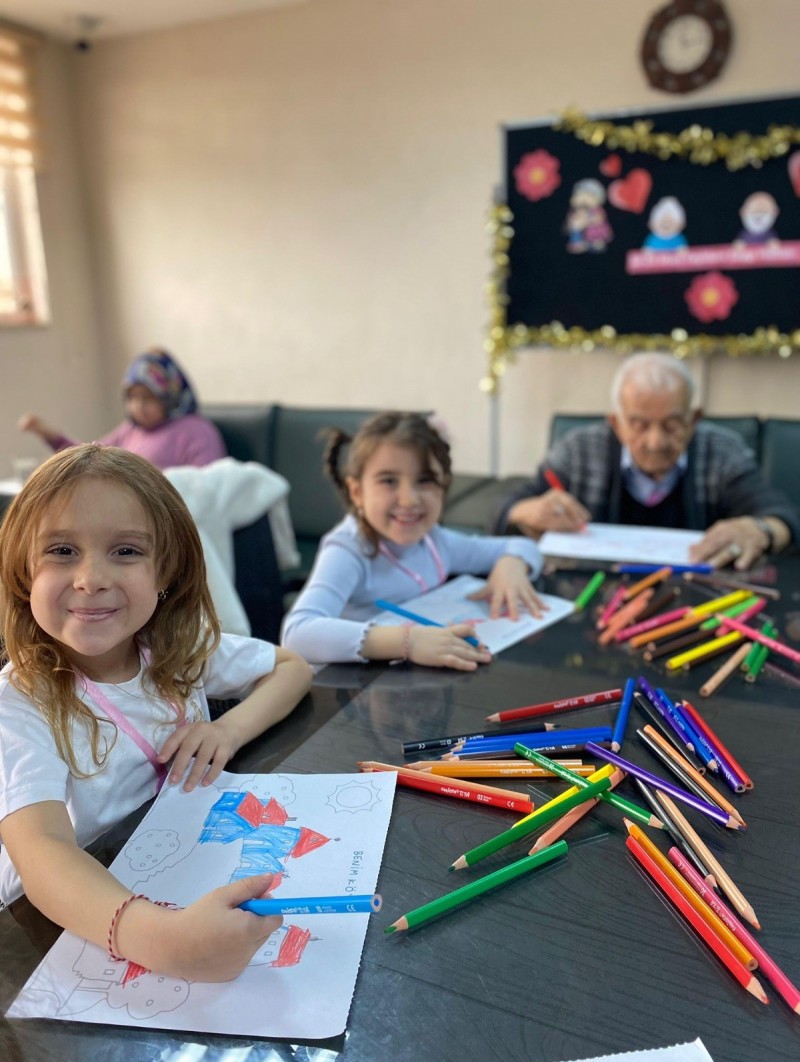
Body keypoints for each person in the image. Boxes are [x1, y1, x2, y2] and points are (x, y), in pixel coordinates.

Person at [0, 444, 313, 981]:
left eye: (125, 551)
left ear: (166, 571)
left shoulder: (172, 647)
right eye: (61, 550)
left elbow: (291, 667)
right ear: (23, 572)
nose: (91, 578)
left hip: (171, 854)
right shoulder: (21, 702)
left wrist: (228, 729)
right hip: (54, 921)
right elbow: (42, 852)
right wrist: (165, 942)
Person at [281, 411, 545, 669]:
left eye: (425, 480)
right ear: (357, 492)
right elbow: (297, 634)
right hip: (357, 686)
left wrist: (511, 565)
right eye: (389, 481)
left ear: (444, 487)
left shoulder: (434, 541)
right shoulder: (348, 550)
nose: (409, 500)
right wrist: (408, 641)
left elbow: (524, 545)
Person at [492, 352, 800, 572]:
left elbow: (783, 517)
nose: (655, 442)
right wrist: (528, 511)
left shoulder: (722, 451)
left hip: (697, 602)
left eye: (672, 425)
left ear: (694, 419)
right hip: (595, 597)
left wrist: (760, 529)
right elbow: (505, 509)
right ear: (616, 423)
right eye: (639, 425)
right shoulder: (578, 450)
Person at [18, 348, 226, 470]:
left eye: (148, 397)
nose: (139, 406)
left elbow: (207, 487)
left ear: (170, 396)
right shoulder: (131, 430)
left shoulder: (195, 430)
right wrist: (49, 434)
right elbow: (90, 461)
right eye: (132, 397)